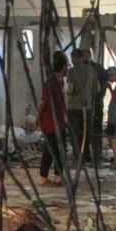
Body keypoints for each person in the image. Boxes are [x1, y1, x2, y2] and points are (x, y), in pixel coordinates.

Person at [37, 50, 69, 187]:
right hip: (50, 122)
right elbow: (43, 102)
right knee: (50, 150)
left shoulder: (60, 83)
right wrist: (38, 116)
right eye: (66, 65)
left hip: (59, 122)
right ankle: (43, 177)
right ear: (63, 67)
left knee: (60, 150)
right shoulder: (50, 83)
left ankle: (58, 177)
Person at [66, 48, 99, 168]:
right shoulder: (92, 71)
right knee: (85, 134)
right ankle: (84, 158)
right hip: (88, 107)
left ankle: (77, 159)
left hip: (74, 107)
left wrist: (68, 93)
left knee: (75, 134)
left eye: (72, 58)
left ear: (75, 58)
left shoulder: (71, 72)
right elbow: (97, 89)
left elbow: (70, 89)